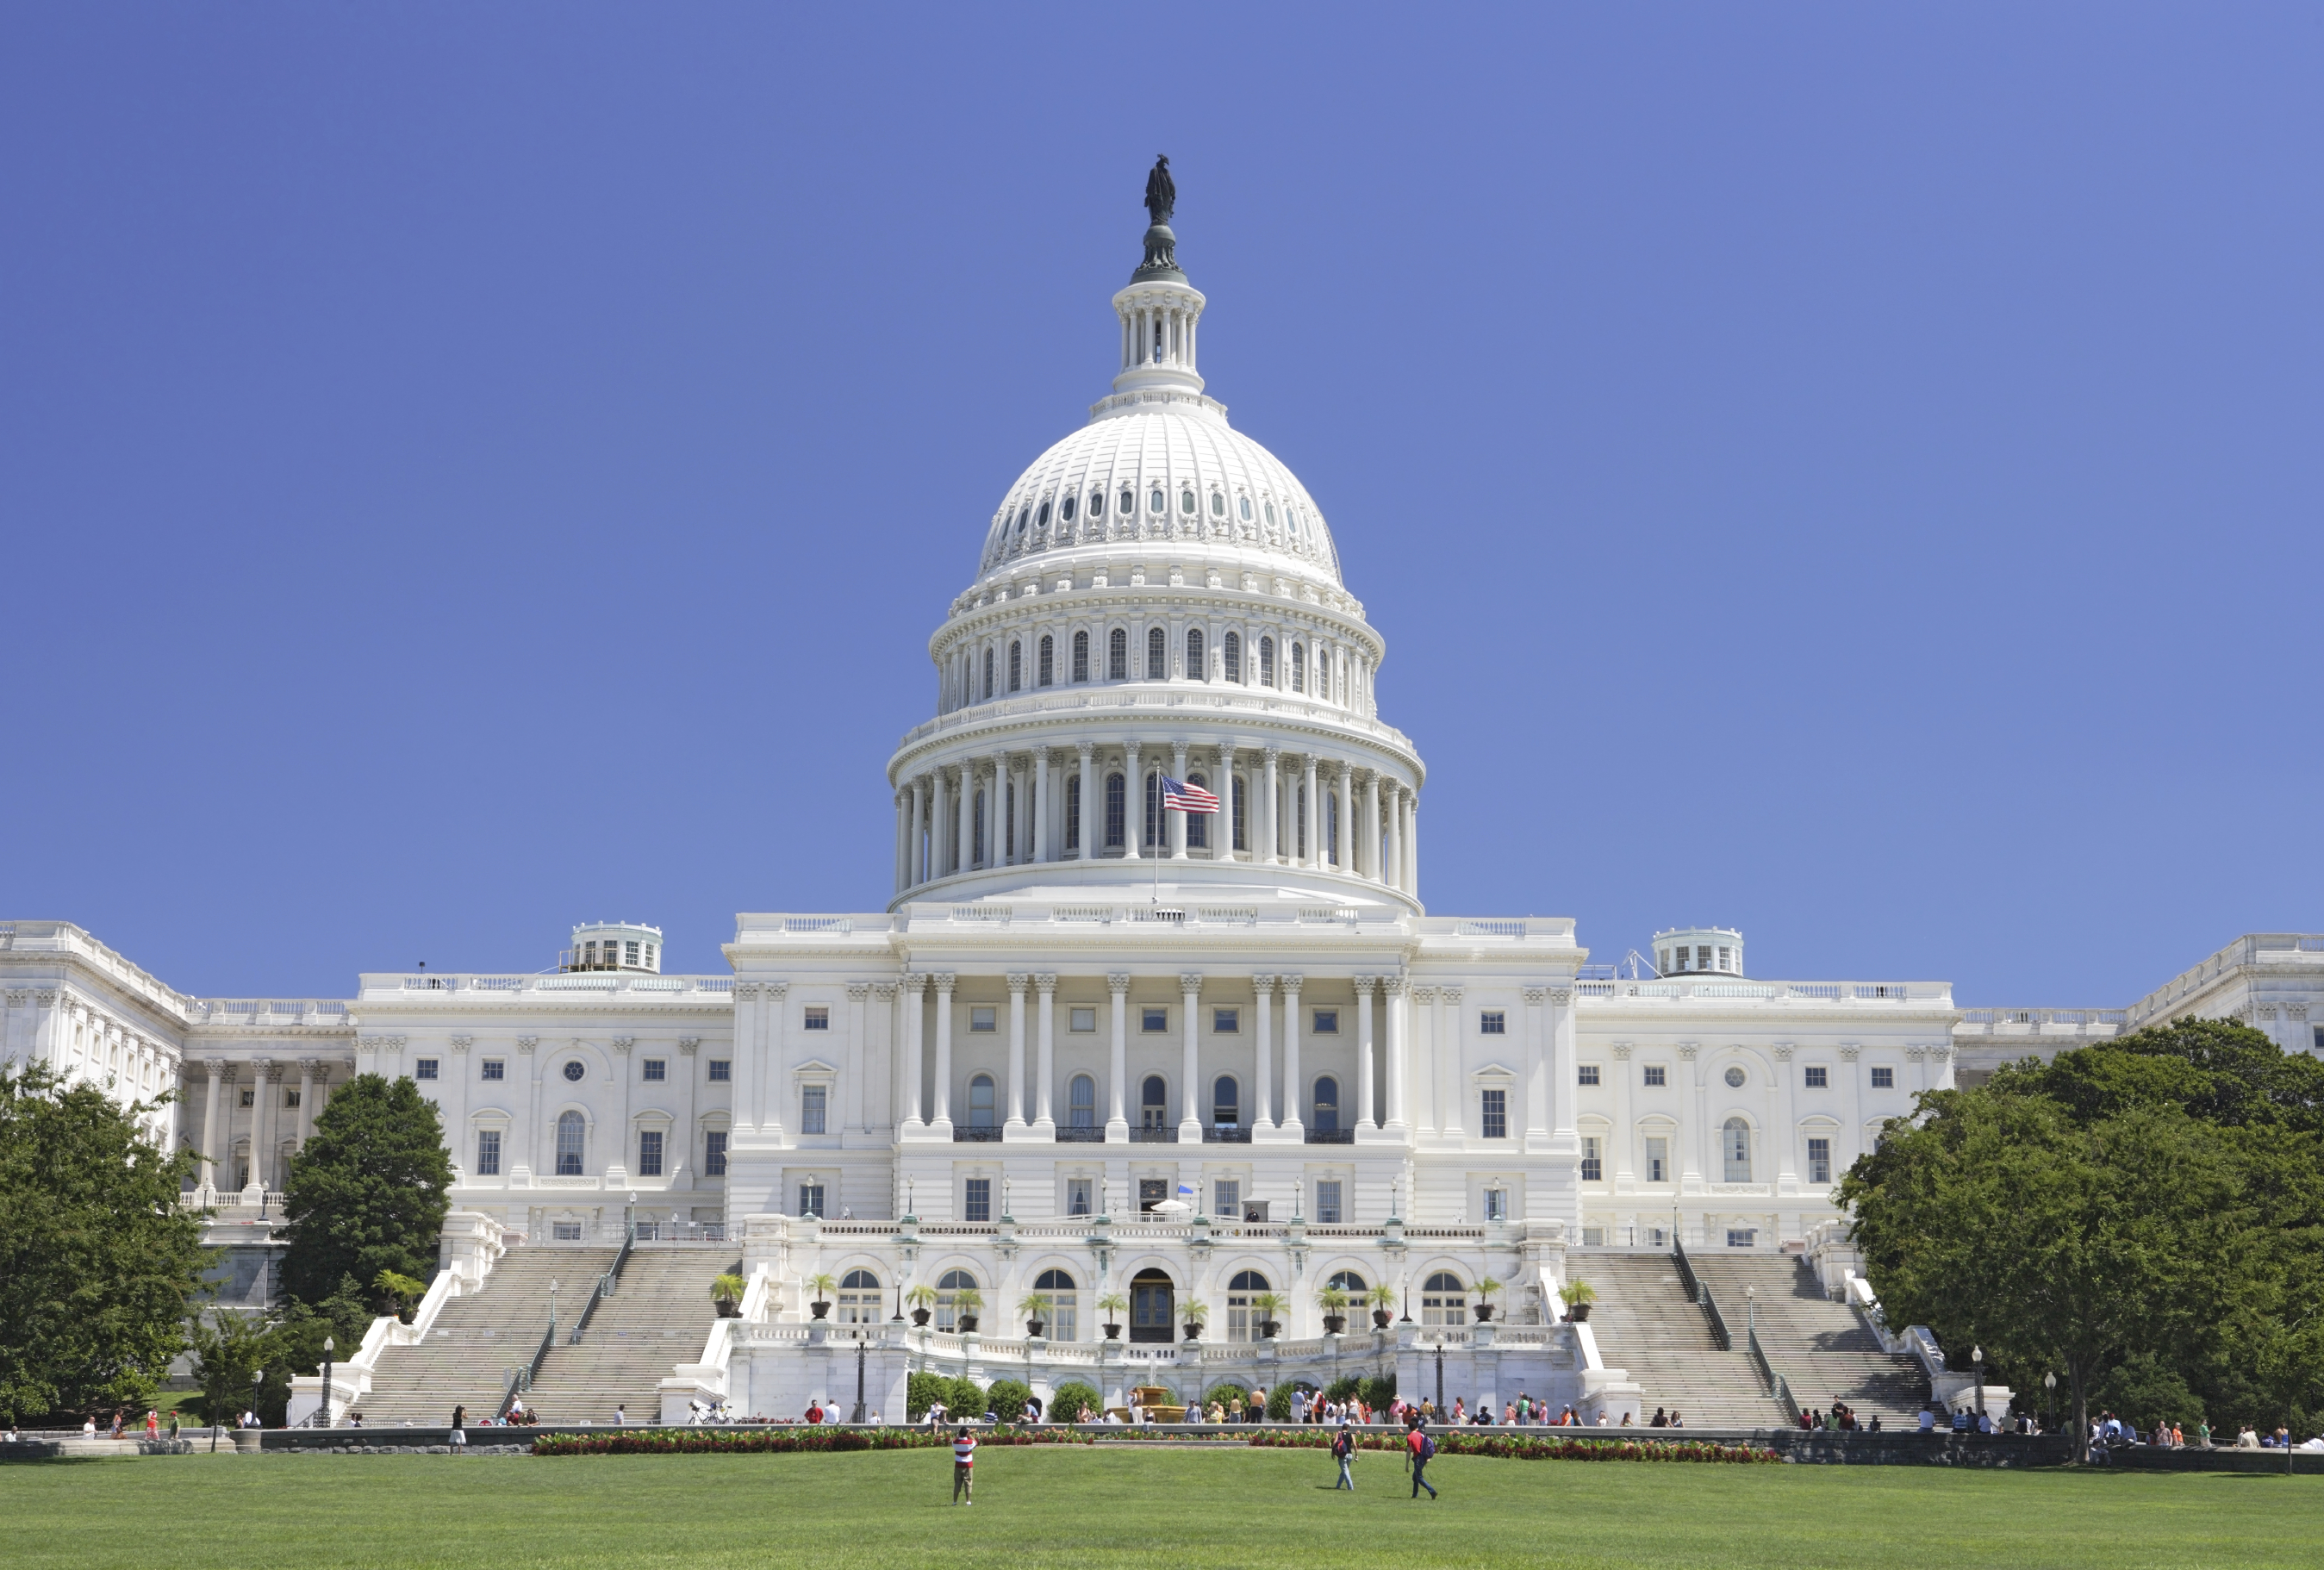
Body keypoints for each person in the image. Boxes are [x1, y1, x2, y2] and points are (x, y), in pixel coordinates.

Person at [1407, 1422, 1437, 1499]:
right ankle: (1415, 1495)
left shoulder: (1410, 1437)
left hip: (1418, 1458)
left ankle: (1432, 1491)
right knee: (1415, 1477)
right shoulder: (1421, 1435)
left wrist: (1407, 1464)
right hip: (1424, 1457)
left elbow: (1408, 1451)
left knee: (1419, 1477)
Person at [952, 1426, 976, 1505]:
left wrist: (958, 1436)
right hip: (968, 1465)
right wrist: (970, 1436)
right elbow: (975, 1442)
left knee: (957, 1482)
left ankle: (955, 1501)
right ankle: (968, 1501)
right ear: (967, 1434)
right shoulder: (969, 1442)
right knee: (968, 1482)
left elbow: (953, 1441)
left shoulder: (956, 1443)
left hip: (958, 1465)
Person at [1331, 1422, 1355, 1491]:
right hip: (1350, 1455)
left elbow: (1334, 1443)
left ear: (1342, 1428)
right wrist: (1356, 1455)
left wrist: (1332, 1453)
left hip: (1342, 1455)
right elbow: (1355, 1445)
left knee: (1345, 1471)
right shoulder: (1351, 1435)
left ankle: (1350, 1487)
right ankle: (1338, 1486)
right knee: (1344, 1470)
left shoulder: (1339, 1434)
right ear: (1348, 1428)